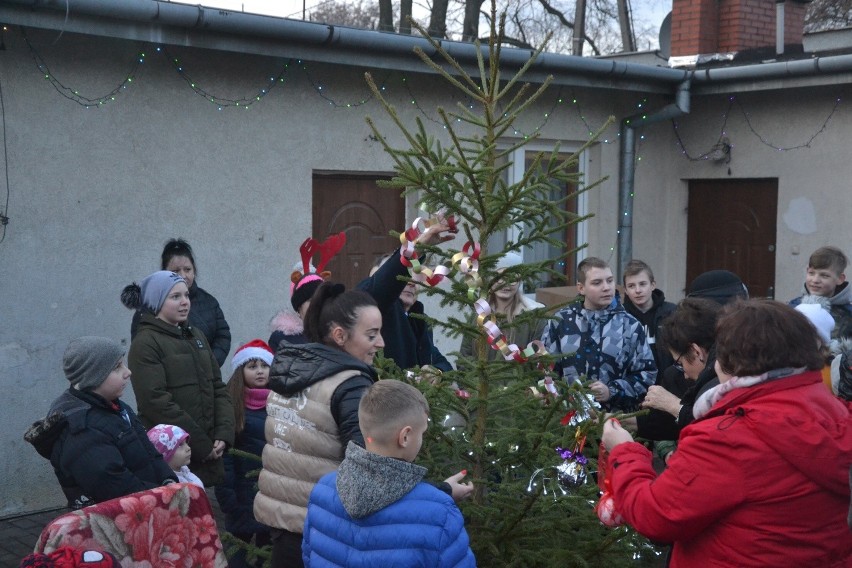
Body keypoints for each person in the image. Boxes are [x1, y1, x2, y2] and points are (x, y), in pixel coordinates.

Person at [602, 299, 852, 567]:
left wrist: (624, 451)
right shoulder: (832, 409)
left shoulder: (729, 437)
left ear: (732, 360)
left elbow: (656, 516)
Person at [254, 282, 471, 568]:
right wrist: (439, 493)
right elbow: (370, 473)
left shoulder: (293, 369)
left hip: (298, 526)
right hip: (328, 526)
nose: (381, 343)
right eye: (372, 335)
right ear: (340, 335)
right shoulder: (350, 386)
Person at [302, 380, 476, 567]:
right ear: (405, 437)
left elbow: (309, 556)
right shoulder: (441, 513)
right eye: (422, 432)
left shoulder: (323, 489)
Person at [24, 336, 176, 509]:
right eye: (117, 367)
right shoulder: (82, 429)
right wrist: (161, 501)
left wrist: (167, 480)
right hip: (126, 519)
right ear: (94, 376)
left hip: (150, 506)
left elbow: (149, 450)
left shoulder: (116, 406)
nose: (128, 372)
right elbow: (114, 486)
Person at [121, 270, 235, 487]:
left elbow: (218, 387)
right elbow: (156, 402)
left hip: (208, 447)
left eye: (186, 295)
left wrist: (223, 432)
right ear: (156, 302)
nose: (185, 302)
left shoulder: (196, 335)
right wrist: (200, 445)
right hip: (174, 456)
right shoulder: (145, 344)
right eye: (175, 297)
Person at [631, 270, 748, 445]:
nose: (683, 374)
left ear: (696, 351)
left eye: (680, 363)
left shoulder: (722, 378)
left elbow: (715, 434)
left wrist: (674, 405)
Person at [541, 256, 656, 412]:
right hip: (566, 419)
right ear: (581, 288)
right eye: (597, 283)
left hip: (614, 421)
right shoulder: (560, 322)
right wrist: (559, 401)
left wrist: (611, 391)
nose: (606, 287)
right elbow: (545, 370)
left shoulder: (629, 325)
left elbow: (647, 374)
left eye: (609, 280)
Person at [356, 220, 455, 372]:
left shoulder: (419, 320)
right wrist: (418, 247)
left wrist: (437, 372)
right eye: (403, 277)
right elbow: (382, 286)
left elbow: (441, 363)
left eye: (414, 276)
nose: (410, 283)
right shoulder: (377, 309)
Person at [215, 339, 274, 568]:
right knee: (238, 551)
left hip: (270, 491)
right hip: (240, 494)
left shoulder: (280, 402)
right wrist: (228, 498)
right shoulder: (232, 406)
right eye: (252, 366)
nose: (260, 371)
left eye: (264, 365)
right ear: (241, 371)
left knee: (266, 552)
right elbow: (225, 457)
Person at [131, 239, 231, 367]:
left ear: (194, 271)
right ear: (164, 272)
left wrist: (209, 364)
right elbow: (143, 348)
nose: (183, 276)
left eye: (187, 269)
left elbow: (223, 336)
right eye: (176, 271)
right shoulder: (149, 305)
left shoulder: (209, 302)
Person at [458, 251, 545, 366]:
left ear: (520, 281)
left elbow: (535, 355)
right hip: (481, 384)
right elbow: (465, 358)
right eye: (498, 277)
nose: (505, 283)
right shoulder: (479, 316)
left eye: (512, 278)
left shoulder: (534, 318)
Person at [621, 259, 676, 372]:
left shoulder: (672, 313)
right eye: (631, 286)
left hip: (668, 381)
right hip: (633, 384)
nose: (638, 290)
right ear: (625, 290)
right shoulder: (620, 317)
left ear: (652, 285)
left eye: (642, 284)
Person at [790, 245, 852, 340]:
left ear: (840, 279)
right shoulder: (793, 308)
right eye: (811, 273)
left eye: (824, 275)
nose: (815, 280)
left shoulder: (848, 314)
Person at [146, 424, 204, 488]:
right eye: (179, 445)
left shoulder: (184, 470)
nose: (188, 448)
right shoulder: (171, 484)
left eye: (186, 443)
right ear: (164, 455)